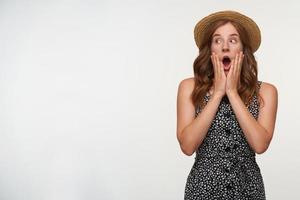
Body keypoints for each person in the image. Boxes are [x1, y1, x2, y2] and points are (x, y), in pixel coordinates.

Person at [176, 10, 278, 199]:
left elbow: (260, 145)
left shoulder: (266, 91)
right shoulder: (189, 87)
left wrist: (232, 92)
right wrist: (218, 94)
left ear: (243, 50)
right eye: (217, 40)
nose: (224, 47)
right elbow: (187, 147)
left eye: (233, 40)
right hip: (202, 190)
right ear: (211, 50)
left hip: (248, 190)